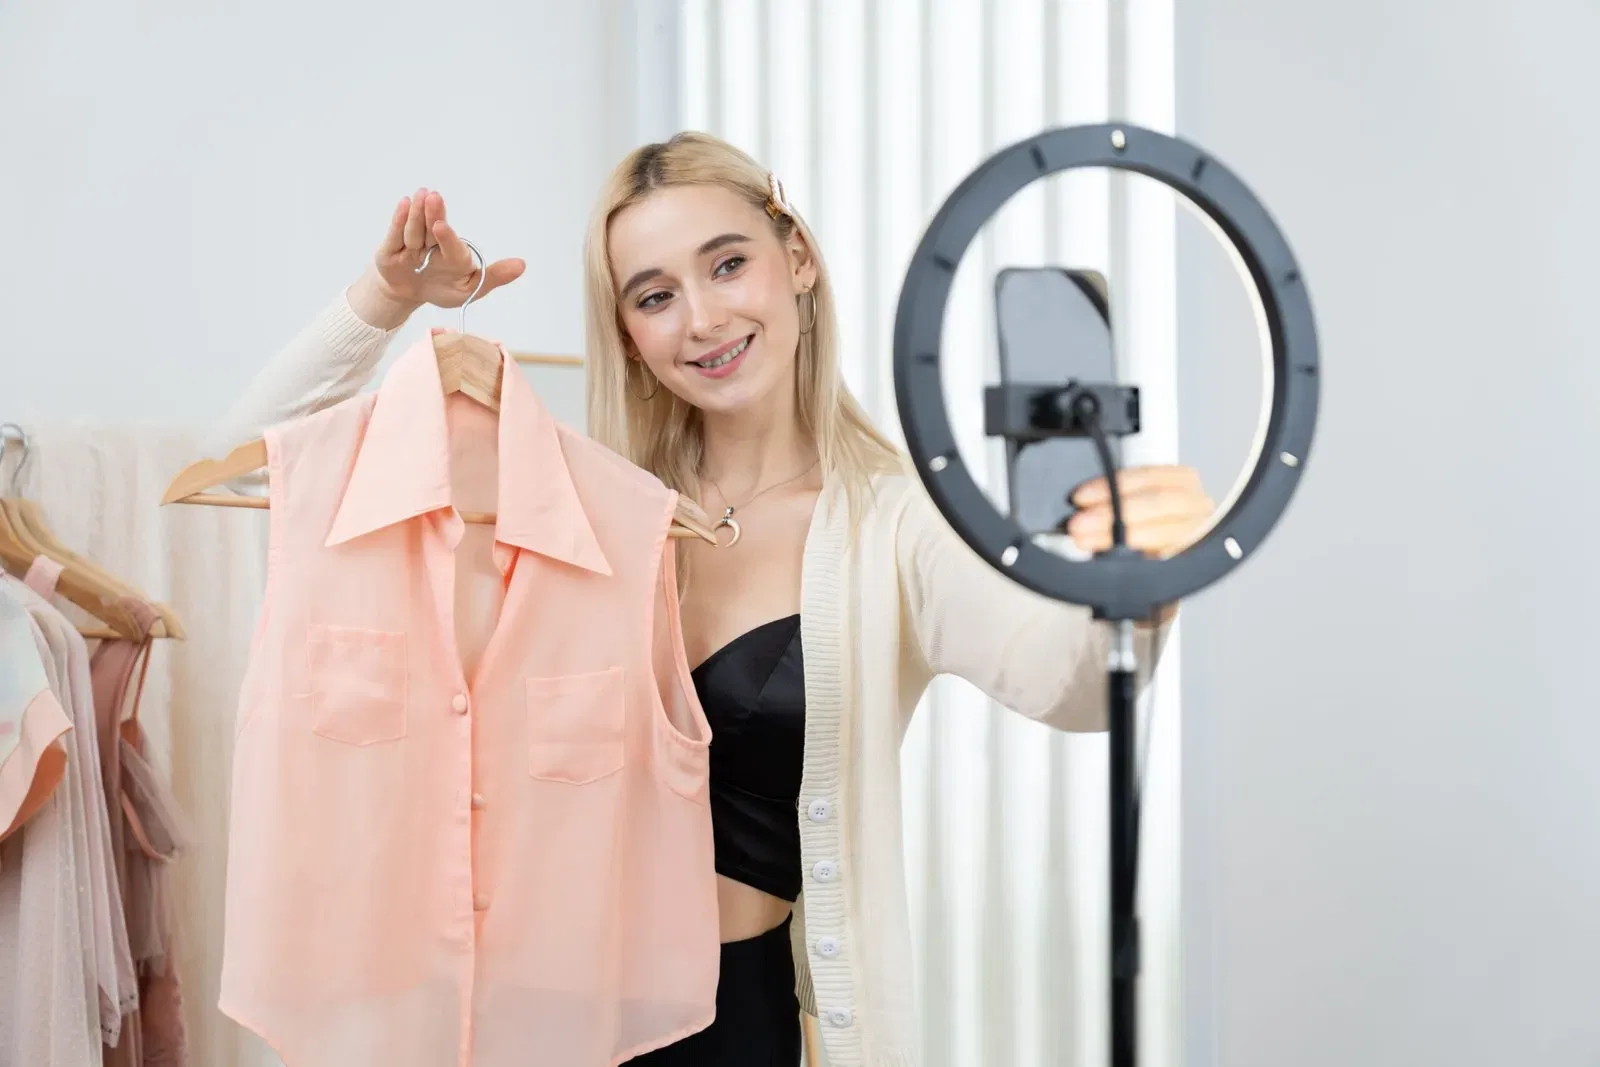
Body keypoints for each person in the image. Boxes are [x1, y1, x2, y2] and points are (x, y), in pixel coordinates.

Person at [208, 130, 1213, 1066]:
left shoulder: (895, 527)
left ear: (798, 260)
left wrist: (1139, 588)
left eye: (727, 264)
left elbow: (1072, 686)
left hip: (731, 1020)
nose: (701, 318)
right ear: (628, 333)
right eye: (653, 296)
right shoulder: (567, 477)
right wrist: (383, 302)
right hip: (536, 1008)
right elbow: (253, 470)